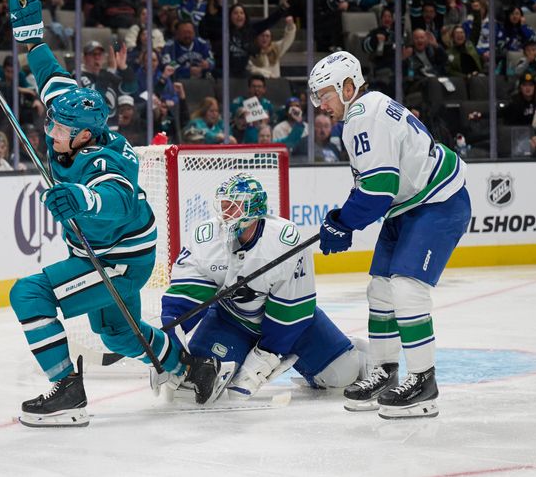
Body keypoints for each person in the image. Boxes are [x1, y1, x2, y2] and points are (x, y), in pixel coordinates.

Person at [6, 0, 225, 427]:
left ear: (84, 135)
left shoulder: (104, 159)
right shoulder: (75, 114)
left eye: (60, 127)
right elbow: (50, 77)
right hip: (114, 254)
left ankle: (68, 389)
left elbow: (118, 198)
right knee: (117, 331)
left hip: (117, 260)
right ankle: (190, 368)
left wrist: (82, 199)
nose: (50, 130)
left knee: (28, 293)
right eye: (52, 121)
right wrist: (31, 36)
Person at [308, 51, 471, 419]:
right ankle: (384, 371)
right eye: (317, 96)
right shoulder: (365, 111)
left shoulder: (364, 115)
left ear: (348, 86)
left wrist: (343, 222)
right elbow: (373, 186)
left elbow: (380, 188)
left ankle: (423, 381)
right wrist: (342, 219)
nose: (321, 104)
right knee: (380, 289)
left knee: (407, 289)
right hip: (409, 204)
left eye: (325, 94)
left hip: (438, 201)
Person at [159, 173, 366, 401]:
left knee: (342, 375)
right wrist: (171, 347)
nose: (226, 214)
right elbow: (182, 302)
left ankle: (339, 348)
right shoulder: (206, 238)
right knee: (192, 389)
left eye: (235, 206)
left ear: (254, 209)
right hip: (231, 319)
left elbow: (291, 314)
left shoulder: (283, 241)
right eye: (224, 206)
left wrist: (262, 359)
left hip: (294, 327)